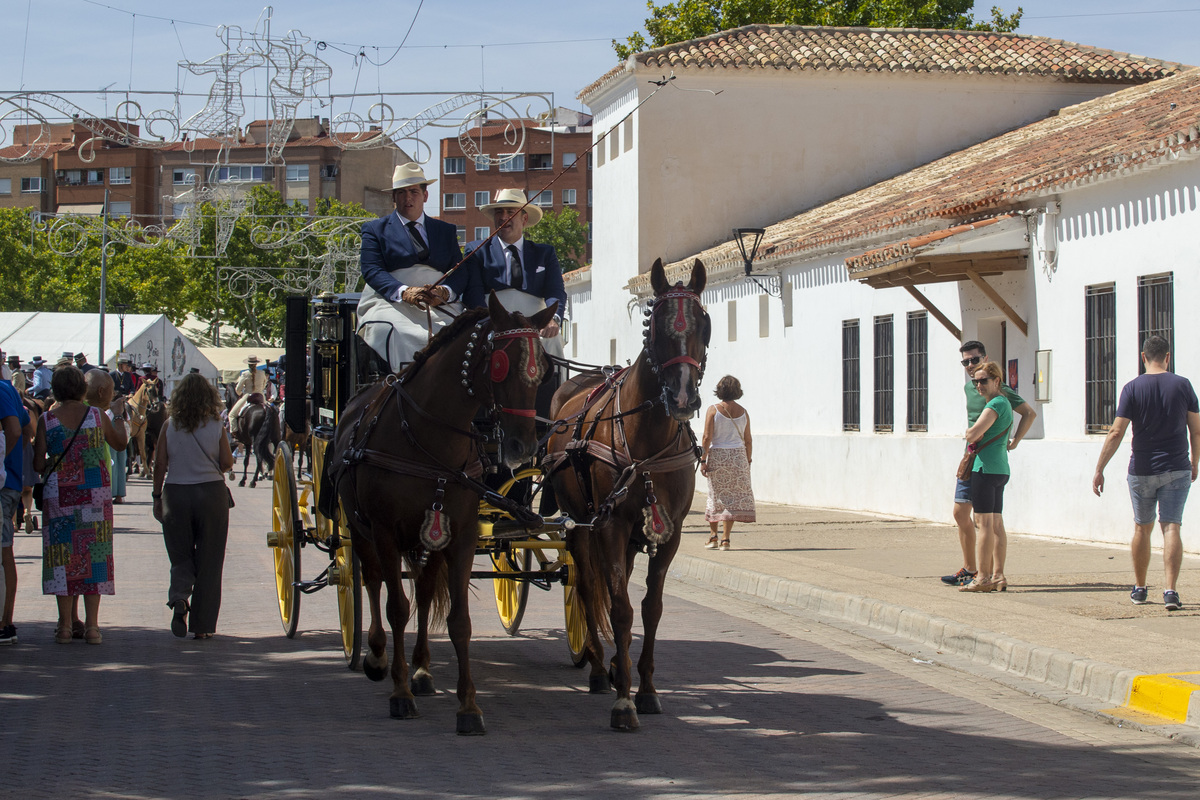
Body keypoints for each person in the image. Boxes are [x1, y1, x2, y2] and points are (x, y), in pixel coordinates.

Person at [1093, 335, 1200, 610]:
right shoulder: (1183, 385)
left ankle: (1140, 588)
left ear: (1143, 357)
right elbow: (1196, 429)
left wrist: (1099, 468)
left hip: (1141, 469)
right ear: (1167, 356)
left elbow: (1117, 431)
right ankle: (1171, 592)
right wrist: (1195, 461)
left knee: (1142, 526)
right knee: (1171, 525)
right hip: (1177, 467)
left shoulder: (1132, 388)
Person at [34, 365, 127, 644]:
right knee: (95, 556)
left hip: (59, 496)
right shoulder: (97, 416)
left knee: (62, 557)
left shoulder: (47, 419)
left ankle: (64, 626)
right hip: (94, 497)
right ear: (82, 389)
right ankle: (93, 628)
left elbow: (38, 463)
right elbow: (121, 444)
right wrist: (120, 416)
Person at [355, 162, 470, 371]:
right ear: (393, 197)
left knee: (461, 334)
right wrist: (404, 292)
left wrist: (445, 292)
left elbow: (459, 270)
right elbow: (372, 269)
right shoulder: (374, 229)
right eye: (401, 192)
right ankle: (405, 387)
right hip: (389, 301)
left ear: (425, 196)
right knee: (398, 333)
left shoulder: (445, 230)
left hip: (437, 303)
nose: (408, 198)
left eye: (414, 191)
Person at [942, 340, 1036, 586]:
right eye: (966, 362)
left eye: (975, 360)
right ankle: (972, 568)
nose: (971, 366)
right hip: (971, 458)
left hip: (987, 460)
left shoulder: (999, 390)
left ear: (985, 358)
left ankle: (991, 574)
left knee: (989, 521)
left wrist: (1014, 440)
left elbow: (1028, 412)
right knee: (961, 513)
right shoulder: (969, 388)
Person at [152, 373, 235, 639]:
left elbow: (160, 464)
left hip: (176, 493)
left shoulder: (169, 425)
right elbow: (226, 462)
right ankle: (203, 626)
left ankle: (179, 595)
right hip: (210, 493)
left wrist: (156, 497)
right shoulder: (216, 425)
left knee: (180, 555)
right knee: (211, 560)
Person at [460, 188, 566, 349]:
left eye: (510, 212)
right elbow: (473, 292)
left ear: (524, 219)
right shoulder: (477, 251)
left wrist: (553, 319)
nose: (503, 217)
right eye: (499, 212)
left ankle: (557, 375)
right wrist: (488, 321)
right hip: (493, 319)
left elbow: (555, 290)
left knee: (552, 339)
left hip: (535, 320)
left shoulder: (544, 253)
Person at [960, 361, 1014, 593]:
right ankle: (998, 575)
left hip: (985, 469)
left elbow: (973, 433)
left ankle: (982, 577)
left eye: (983, 381)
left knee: (983, 524)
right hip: (1000, 467)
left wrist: (971, 432)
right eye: (976, 381)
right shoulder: (1005, 403)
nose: (979, 385)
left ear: (997, 381)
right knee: (996, 524)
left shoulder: (995, 404)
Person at [700, 375, 755, 550]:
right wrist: (747, 460)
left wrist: (703, 459)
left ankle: (713, 536)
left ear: (720, 390)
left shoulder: (713, 410)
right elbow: (748, 440)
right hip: (738, 456)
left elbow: (707, 437)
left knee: (715, 496)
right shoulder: (744, 411)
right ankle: (726, 539)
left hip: (719, 456)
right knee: (731, 499)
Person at [0, 377, 31, 645]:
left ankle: (4, 623)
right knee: (5, 552)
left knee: (4, 553)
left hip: (3, 484)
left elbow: (15, 430)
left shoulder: (1, 390)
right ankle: (5, 622)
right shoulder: (8, 389)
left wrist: (2, 458)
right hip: (10, 481)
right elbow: (26, 424)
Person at [228, 355, 273, 431]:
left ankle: (234, 432)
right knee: (271, 412)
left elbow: (238, 389)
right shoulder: (262, 373)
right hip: (260, 396)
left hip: (247, 396)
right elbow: (263, 386)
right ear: (256, 364)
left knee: (232, 415)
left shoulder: (244, 374)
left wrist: (240, 394)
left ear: (248, 364)